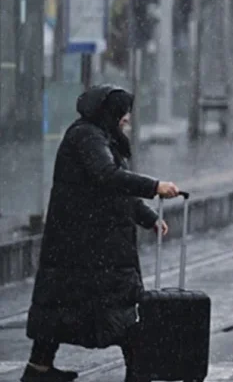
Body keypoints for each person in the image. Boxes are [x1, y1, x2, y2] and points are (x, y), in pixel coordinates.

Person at [22, 85, 182, 382]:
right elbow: (108, 178)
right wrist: (154, 186)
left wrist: (147, 217)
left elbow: (112, 190)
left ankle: (39, 369)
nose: (127, 118)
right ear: (109, 112)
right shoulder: (87, 137)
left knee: (60, 309)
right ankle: (139, 371)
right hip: (90, 246)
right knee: (119, 310)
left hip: (82, 244)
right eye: (123, 112)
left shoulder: (98, 135)